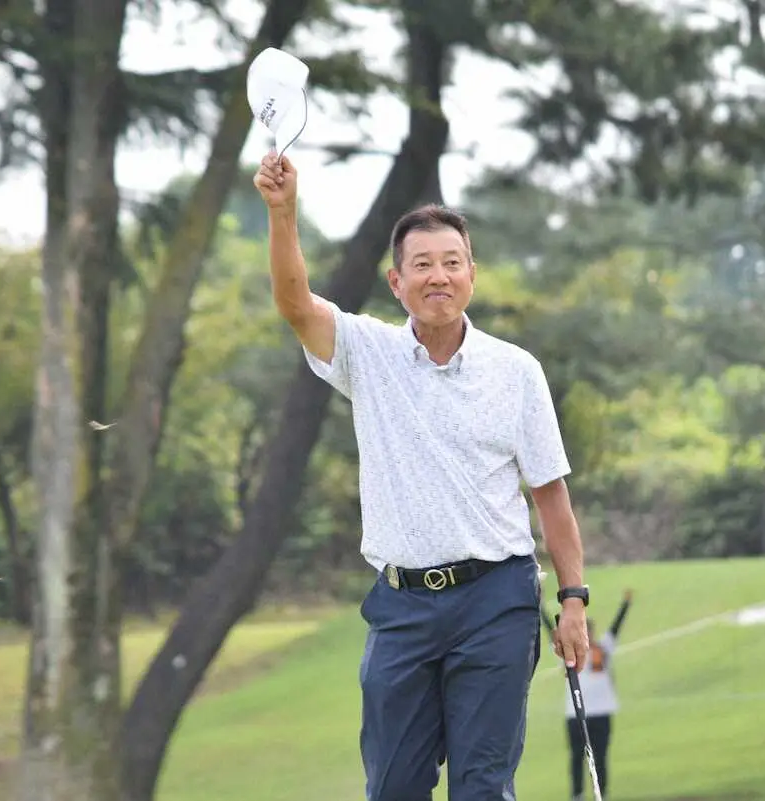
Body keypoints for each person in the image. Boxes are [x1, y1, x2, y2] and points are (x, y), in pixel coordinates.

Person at [253, 151, 590, 801]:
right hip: (402, 604)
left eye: (452, 263)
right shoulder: (367, 352)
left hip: (496, 599)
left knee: (482, 787)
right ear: (396, 280)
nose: (439, 276)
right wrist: (282, 212)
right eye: (423, 264)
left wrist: (573, 599)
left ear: (472, 275)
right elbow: (295, 304)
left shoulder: (516, 371)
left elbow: (552, 496)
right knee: (393, 786)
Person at [544, 589, 633, 801]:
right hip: (576, 713)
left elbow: (615, 628)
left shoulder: (603, 648)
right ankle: (577, 795)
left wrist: (625, 604)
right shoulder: (568, 651)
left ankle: (602, 794)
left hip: (601, 711)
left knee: (600, 756)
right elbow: (550, 631)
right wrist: (541, 609)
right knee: (577, 757)